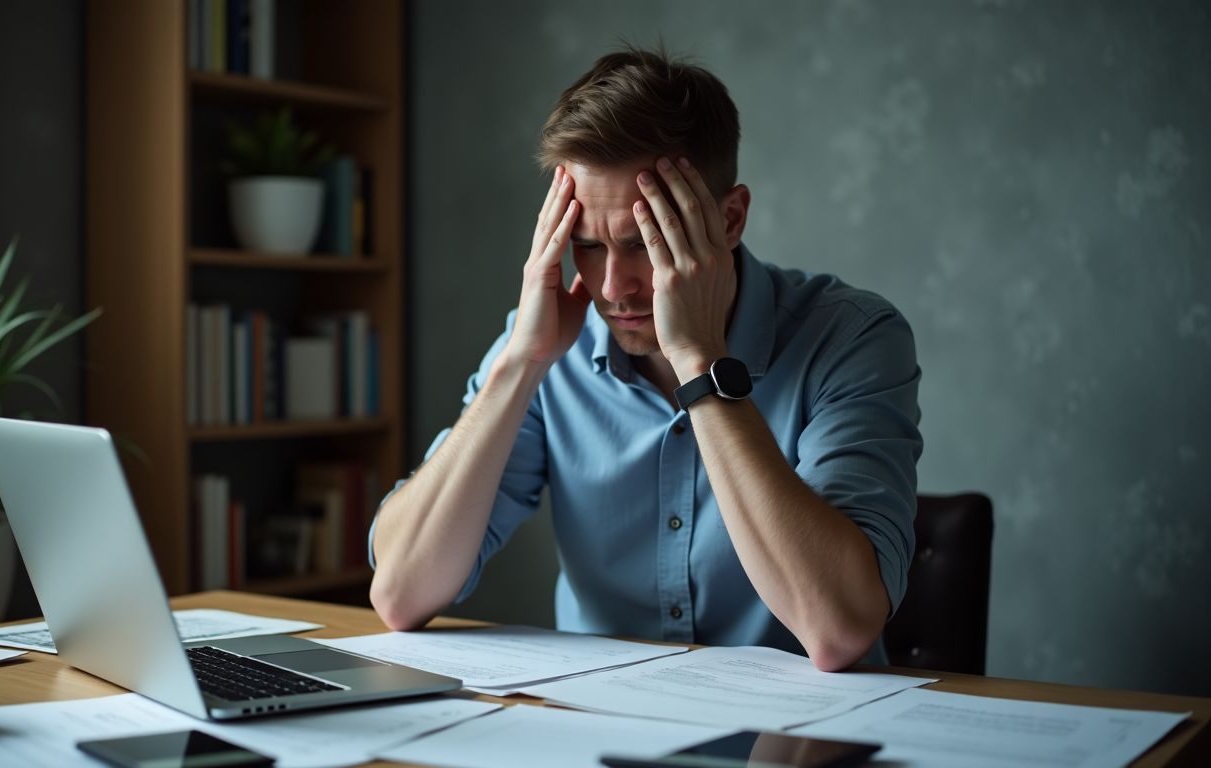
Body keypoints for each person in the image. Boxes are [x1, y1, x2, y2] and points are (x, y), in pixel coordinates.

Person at [368, 46, 922, 671]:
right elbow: (399, 592)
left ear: (730, 218)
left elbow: (839, 630)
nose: (613, 288)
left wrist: (700, 362)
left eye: (644, 244)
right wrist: (521, 363)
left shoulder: (851, 338)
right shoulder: (548, 343)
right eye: (587, 247)